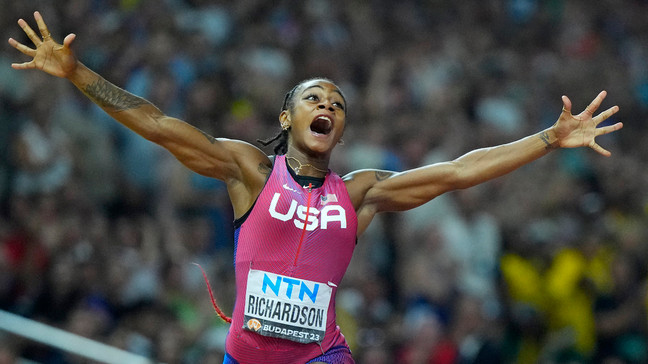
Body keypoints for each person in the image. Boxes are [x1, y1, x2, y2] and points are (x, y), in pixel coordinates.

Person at [8, 11, 623, 364]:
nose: (327, 103)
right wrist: (77, 72)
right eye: (313, 97)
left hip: (319, 357)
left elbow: (458, 171)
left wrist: (547, 138)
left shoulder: (360, 194)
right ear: (287, 118)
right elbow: (159, 124)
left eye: (337, 101)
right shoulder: (250, 171)